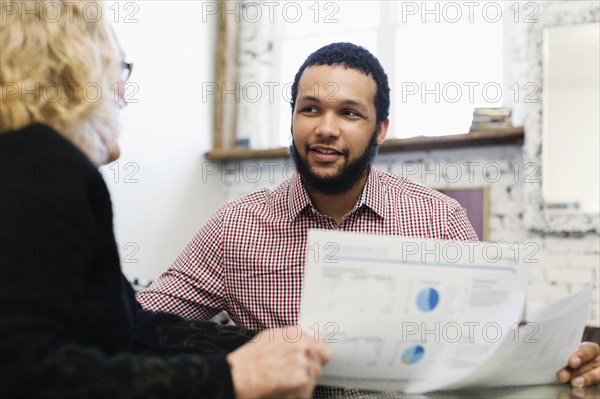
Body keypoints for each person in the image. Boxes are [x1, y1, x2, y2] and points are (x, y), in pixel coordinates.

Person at [137, 41, 600, 388]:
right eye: (310, 109)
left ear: (380, 129)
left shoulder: (438, 220)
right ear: (293, 118)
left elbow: (490, 351)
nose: (325, 128)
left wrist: (562, 359)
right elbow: (135, 322)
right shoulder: (234, 227)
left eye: (349, 113)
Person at [0, 1, 330, 398]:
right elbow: (21, 371)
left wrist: (258, 349)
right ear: (73, 69)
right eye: (118, 67)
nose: (123, 91)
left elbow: (132, 327)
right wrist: (231, 377)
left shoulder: (24, 163)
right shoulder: (45, 167)